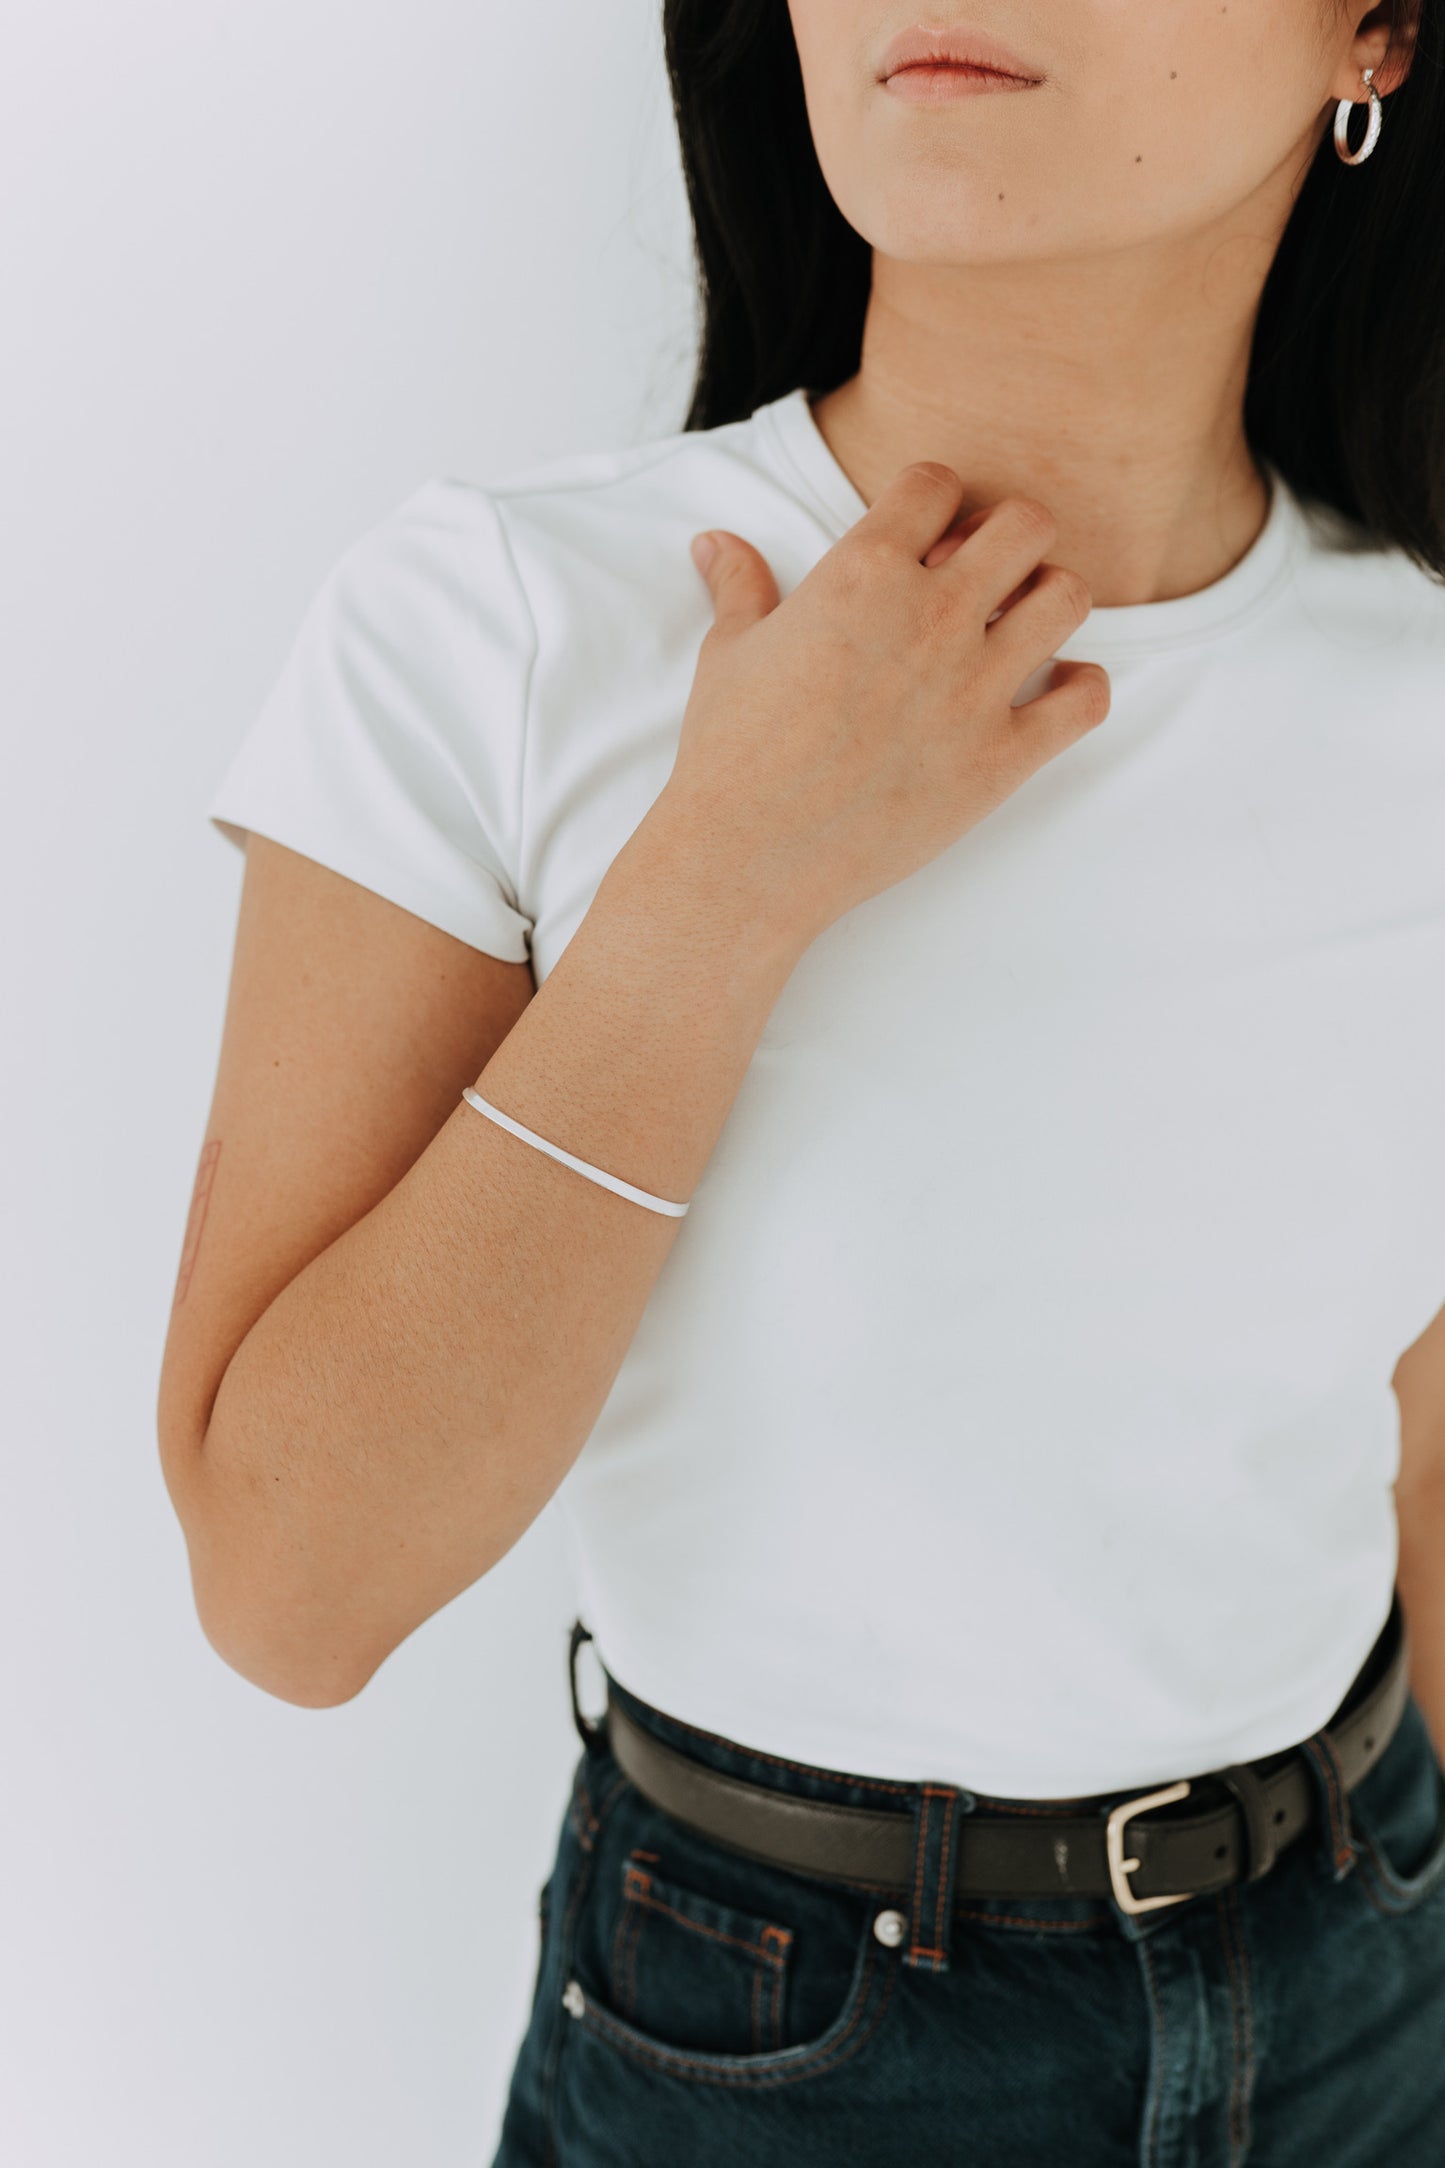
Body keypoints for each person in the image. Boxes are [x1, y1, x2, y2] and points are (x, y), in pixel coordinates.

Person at [156, 0, 1445, 2157]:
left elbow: (1406, 1425)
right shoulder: (501, 627)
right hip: (775, 2050)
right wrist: (720, 886)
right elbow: (291, 1588)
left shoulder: (1415, 682)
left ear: (1378, 32)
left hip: (1367, 1975)